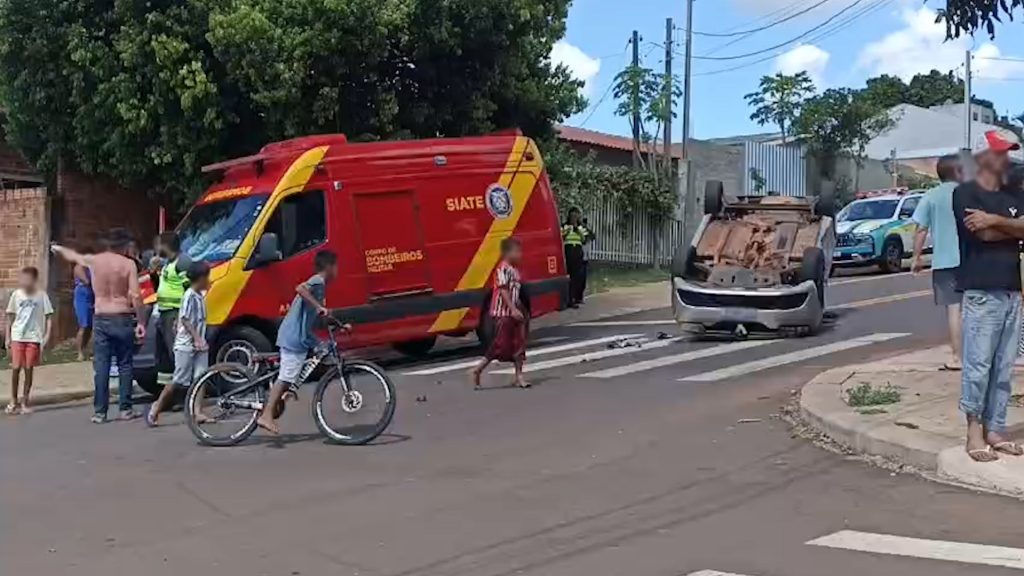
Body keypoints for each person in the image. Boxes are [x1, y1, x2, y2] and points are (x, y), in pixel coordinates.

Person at [950, 130, 1024, 462]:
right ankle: (973, 431)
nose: (1005, 158)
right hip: (982, 291)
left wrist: (996, 220)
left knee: (1004, 367)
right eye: (999, 152)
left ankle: (996, 429)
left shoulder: (1013, 194)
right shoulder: (965, 193)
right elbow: (983, 234)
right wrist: (1011, 226)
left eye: (1008, 152)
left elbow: (996, 227)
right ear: (982, 157)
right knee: (978, 366)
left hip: (1012, 290)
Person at [52, 228, 147, 423]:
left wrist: (57, 247)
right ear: (123, 245)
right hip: (121, 315)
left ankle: (100, 412)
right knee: (125, 365)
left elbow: (73, 256)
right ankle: (125, 409)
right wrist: (142, 321)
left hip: (101, 315)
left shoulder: (94, 261)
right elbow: (136, 296)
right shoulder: (128, 264)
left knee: (102, 365)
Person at [256, 250, 339, 435]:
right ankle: (266, 415)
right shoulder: (317, 281)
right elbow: (300, 289)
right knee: (286, 376)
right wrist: (319, 307)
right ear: (329, 267)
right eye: (337, 266)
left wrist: (337, 322)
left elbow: (314, 313)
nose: (338, 271)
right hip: (294, 336)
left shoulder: (320, 286)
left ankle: (286, 394)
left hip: (303, 336)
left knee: (323, 348)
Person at [911, 154, 964, 370]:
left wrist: (916, 258)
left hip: (944, 261)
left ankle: (956, 357)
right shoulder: (968, 193)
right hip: (972, 259)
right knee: (976, 308)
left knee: (954, 309)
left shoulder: (931, 196)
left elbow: (921, 228)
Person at [148, 262, 210, 427]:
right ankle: (157, 407)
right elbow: (186, 319)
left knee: (201, 377)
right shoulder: (189, 295)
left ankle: (198, 412)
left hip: (200, 343)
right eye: (207, 277)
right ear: (201, 278)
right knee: (178, 380)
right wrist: (197, 338)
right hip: (187, 344)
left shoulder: (199, 295)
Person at [471, 237, 530, 389]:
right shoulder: (502, 268)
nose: (520, 255)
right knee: (500, 345)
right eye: (517, 251)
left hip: (516, 311)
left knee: (520, 343)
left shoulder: (515, 271)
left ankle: (519, 376)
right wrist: (512, 309)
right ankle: (479, 369)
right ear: (507, 253)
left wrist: (520, 309)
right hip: (503, 313)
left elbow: (516, 291)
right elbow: (503, 290)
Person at [5, 267, 53, 414]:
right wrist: (8, 337)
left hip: (33, 337)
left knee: (28, 369)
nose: (24, 281)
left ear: (34, 280)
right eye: (22, 278)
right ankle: (13, 400)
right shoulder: (16, 295)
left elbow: (49, 316)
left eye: (27, 279)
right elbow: (10, 317)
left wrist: (46, 336)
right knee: (16, 368)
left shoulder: (41, 296)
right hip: (18, 335)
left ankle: (24, 401)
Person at [155, 232, 190, 365]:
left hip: (174, 313)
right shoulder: (168, 263)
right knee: (165, 353)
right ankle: (169, 382)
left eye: (159, 244)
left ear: (165, 246)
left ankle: (183, 382)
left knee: (175, 351)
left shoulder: (183, 262)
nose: (157, 248)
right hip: (164, 312)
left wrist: (181, 316)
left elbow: (189, 291)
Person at [562, 208, 593, 308]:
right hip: (568, 251)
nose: (574, 218)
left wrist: (577, 230)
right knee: (568, 276)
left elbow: (584, 240)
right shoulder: (565, 226)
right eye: (572, 216)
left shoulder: (581, 227)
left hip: (577, 251)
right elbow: (560, 237)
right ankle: (568, 299)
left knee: (577, 277)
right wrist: (566, 232)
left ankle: (574, 298)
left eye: (576, 216)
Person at [73, 245, 95, 361]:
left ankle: (87, 349)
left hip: (91, 295)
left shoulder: (90, 268)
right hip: (82, 295)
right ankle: (79, 352)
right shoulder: (79, 267)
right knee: (83, 325)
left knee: (90, 326)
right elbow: (87, 281)